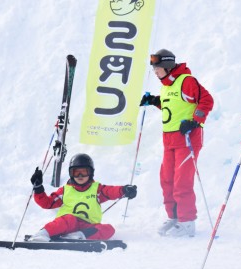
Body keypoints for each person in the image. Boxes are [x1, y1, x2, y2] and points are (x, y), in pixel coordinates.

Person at [139, 49, 214, 238]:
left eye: (157, 68)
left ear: (166, 66)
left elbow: (206, 100)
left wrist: (195, 120)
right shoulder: (166, 86)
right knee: (167, 180)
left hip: (187, 139)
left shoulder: (186, 81)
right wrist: (154, 100)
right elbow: (171, 105)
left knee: (182, 182)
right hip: (169, 140)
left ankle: (187, 222)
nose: (155, 72)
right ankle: (174, 217)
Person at [28, 153, 137, 241]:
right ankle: (43, 234)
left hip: (88, 227)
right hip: (68, 224)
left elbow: (111, 191)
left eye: (84, 172)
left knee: (109, 229)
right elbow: (47, 203)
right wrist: (38, 188)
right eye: (76, 172)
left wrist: (124, 190)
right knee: (69, 218)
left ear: (91, 173)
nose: (80, 176)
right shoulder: (65, 190)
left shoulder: (97, 189)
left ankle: (78, 236)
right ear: (71, 173)